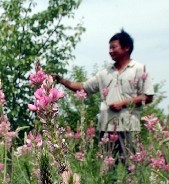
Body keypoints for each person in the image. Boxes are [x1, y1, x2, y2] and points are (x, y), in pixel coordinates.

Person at [55, 29, 154, 166]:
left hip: (128, 127)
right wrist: (61, 80)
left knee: (130, 168)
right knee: (107, 170)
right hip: (106, 128)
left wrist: (123, 103)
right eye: (109, 48)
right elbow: (83, 87)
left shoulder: (139, 69)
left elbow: (148, 96)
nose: (110, 51)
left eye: (114, 47)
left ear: (126, 48)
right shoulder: (104, 73)